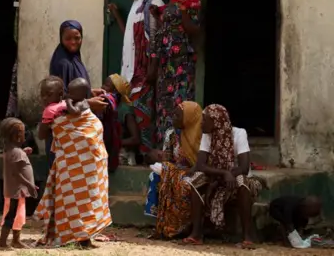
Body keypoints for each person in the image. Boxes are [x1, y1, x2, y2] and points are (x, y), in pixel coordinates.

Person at [34, 82, 112, 248]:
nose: (46, 98)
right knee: (74, 199)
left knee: (83, 199)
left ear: (63, 93)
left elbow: (85, 127)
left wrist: (52, 120)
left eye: (50, 94)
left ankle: (83, 237)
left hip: (84, 164)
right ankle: (80, 237)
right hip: (72, 164)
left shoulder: (69, 107)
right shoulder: (68, 107)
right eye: (44, 94)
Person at [183, 104, 263, 248]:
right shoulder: (207, 135)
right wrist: (223, 174)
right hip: (218, 177)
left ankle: (247, 237)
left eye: (205, 119)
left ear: (216, 121)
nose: (201, 123)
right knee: (195, 180)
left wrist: (229, 174)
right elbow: (201, 165)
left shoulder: (239, 134)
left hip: (237, 178)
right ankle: (196, 234)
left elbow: (244, 168)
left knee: (242, 181)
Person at [108, 0, 164, 155]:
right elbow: (129, 38)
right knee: (132, 115)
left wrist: (153, 67)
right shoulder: (135, 8)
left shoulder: (154, 5)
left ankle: (147, 152)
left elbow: (157, 39)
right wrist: (117, 16)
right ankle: (138, 152)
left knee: (145, 114)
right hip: (131, 74)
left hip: (145, 71)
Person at [151, 0, 201, 142]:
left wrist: (182, 14)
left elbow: (194, 29)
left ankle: (181, 147)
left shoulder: (191, 0)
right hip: (167, 62)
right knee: (165, 104)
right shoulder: (172, 1)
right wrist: (160, 15)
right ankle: (166, 146)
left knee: (180, 103)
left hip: (181, 63)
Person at [47, 20, 108, 167]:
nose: (73, 42)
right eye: (68, 38)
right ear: (61, 39)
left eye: (77, 38)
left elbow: (71, 87)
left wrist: (89, 92)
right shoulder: (62, 63)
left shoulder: (73, 58)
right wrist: (89, 103)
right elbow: (60, 100)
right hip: (66, 130)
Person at [144, 101, 202, 238]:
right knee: (155, 176)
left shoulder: (202, 134)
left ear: (188, 117)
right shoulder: (171, 133)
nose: (172, 118)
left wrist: (183, 172)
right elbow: (167, 159)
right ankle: (162, 224)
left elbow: (204, 162)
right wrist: (172, 171)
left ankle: (184, 227)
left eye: (177, 115)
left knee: (185, 184)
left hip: (198, 172)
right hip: (177, 170)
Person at [0, 117, 37, 250]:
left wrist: (23, 153)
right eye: (22, 132)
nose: (24, 135)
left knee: (18, 215)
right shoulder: (16, 152)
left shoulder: (11, 150)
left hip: (16, 189)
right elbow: (16, 173)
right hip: (17, 190)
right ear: (16, 135)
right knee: (11, 216)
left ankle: (15, 240)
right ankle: (2, 243)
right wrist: (29, 185)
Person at [100, 74, 133, 169]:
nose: (102, 87)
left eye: (106, 85)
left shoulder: (124, 110)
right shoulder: (104, 106)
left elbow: (135, 138)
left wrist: (115, 143)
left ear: (115, 91)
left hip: (122, 152)